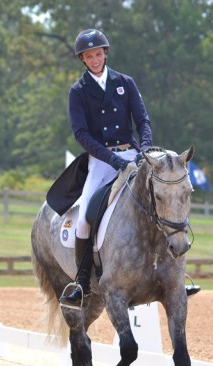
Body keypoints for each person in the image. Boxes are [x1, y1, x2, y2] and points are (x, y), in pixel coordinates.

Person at [58, 29, 199, 309]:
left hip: (135, 154)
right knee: (86, 217)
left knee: (163, 199)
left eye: (98, 54)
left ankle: (176, 276)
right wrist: (113, 160)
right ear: (83, 60)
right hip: (100, 160)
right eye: (89, 56)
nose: (95, 59)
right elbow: (81, 134)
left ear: (105, 53)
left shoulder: (125, 83)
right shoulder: (78, 91)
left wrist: (145, 150)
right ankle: (82, 281)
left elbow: (143, 120)